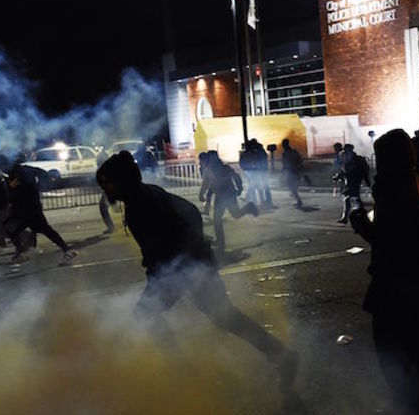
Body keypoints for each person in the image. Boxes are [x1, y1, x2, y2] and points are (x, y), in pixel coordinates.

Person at [95, 151, 297, 391]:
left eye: (107, 183)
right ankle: (279, 353)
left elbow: (185, 218)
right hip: (189, 267)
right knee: (225, 318)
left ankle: (180, 369)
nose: (105, 190)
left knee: (146, 314)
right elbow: (184, 217)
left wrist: (186, 255)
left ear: (121, 180)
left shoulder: (142, 201)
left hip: (187, 270)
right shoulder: (142, 197)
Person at [349, 129, 419, 415]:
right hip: (417, 286)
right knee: (418, 358)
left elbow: (387, 242)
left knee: (395, 358)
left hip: (396, 290)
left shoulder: (395, 192)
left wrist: (359, 222)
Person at [5, 158, 77, 264]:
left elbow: (21, 192)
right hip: (30, 209)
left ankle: (21, 253)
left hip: (27, 210)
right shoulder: (24, 170)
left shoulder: (18, 175)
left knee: (12, 228)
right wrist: (39, 187)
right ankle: (67, 250)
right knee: (45, 230)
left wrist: (11, 188)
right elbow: (42, 173)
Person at [207, 152, 258, 253]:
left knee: (234, 214)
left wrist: (239, 188)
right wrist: (209, 195)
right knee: (218, 218)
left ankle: (250, 207)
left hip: (228, 195)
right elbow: (212, 185)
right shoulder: (211, 169)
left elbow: (236, 177)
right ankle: (220, 242)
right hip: (221, 196)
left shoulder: (225, 169)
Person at [335, 144, 370, 224]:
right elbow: (344, 170)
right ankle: (350, 217)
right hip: (350, 181)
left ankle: (348, 217)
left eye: (346, 150)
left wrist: (366, 180)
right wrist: (339, 176)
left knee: (350, 198)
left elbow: (361, 171)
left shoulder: (356, 160)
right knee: (353, 198)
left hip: (354, 181)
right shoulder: (348, 158)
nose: (344, 152)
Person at [96, 146, 116, 234]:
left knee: (103, 208)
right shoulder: (107, 166)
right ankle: (111, 226)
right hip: (109, 190)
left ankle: (111, 227)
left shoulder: (104, 169)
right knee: (105, 208)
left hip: (109, 190)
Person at [281, 138, 304, 209]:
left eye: (283, 144)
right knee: (292, 187)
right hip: (290, 172)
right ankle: (297, 199)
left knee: (292, 187)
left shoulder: (292, 152)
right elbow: (285, 163)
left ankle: (298, 200)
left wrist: (297, 167)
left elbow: (300, 160)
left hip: (293, 171)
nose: (283, 146)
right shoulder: (286, 153)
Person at [197, 152, 214, 216]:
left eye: (201, 160)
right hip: (214, 184)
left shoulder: (208, 168)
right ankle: (206, 212)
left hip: (217, 185)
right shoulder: (208, 166)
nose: (200, 163)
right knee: (208, 196)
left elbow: (205, 182)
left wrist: (201, 193)